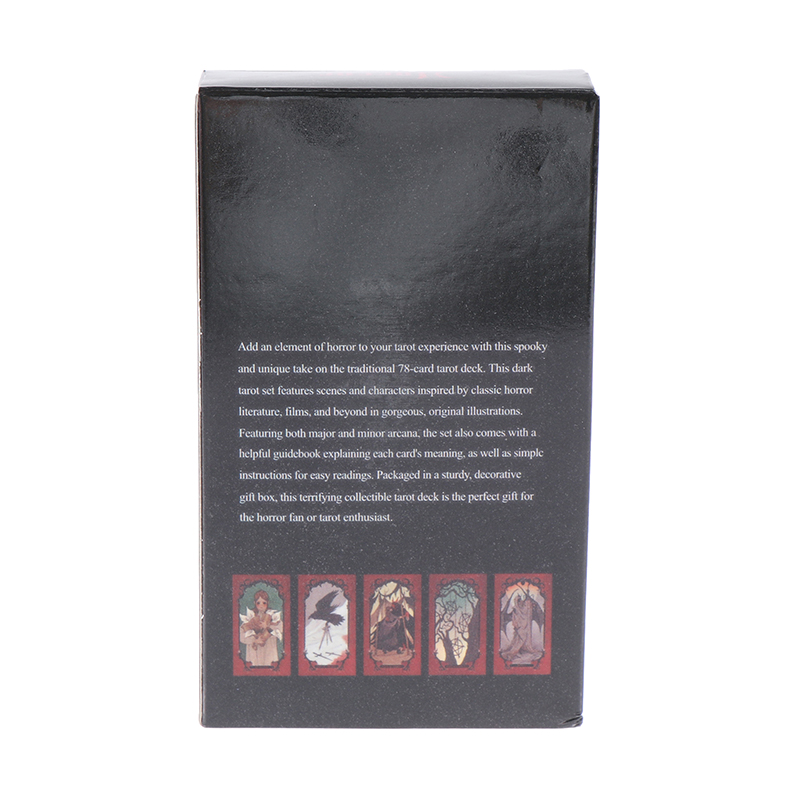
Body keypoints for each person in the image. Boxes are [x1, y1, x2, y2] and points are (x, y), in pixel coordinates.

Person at [240, 589, 283, 667]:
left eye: (264, 603)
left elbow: (281, 627)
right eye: (258, 603)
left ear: (267, 603)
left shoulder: (272, 616)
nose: (261, 605)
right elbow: (241, 635)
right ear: (255, 603)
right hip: (255, 650)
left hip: (269, 648)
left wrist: (268, 626)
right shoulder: (251, 616)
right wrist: (254, 640)